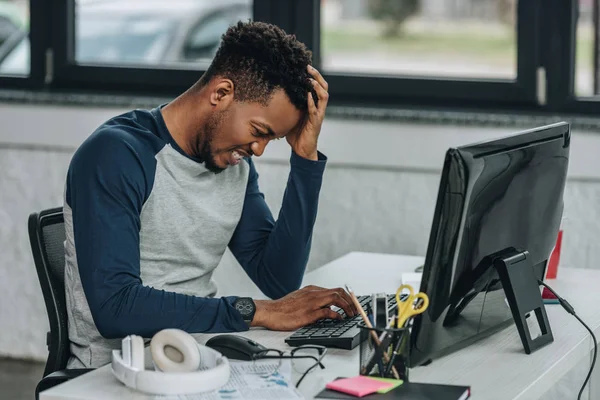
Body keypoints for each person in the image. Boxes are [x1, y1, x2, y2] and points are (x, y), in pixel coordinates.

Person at [63, 21, 359, 368]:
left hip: (202, 357)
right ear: (221, 93)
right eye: (258, 131)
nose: (259, 150)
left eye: (271, 140)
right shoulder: (117, 155)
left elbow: (279, 279)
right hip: (118, 372)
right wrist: (257, 311)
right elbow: (116, 307)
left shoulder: (235, 167)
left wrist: (305, 159)